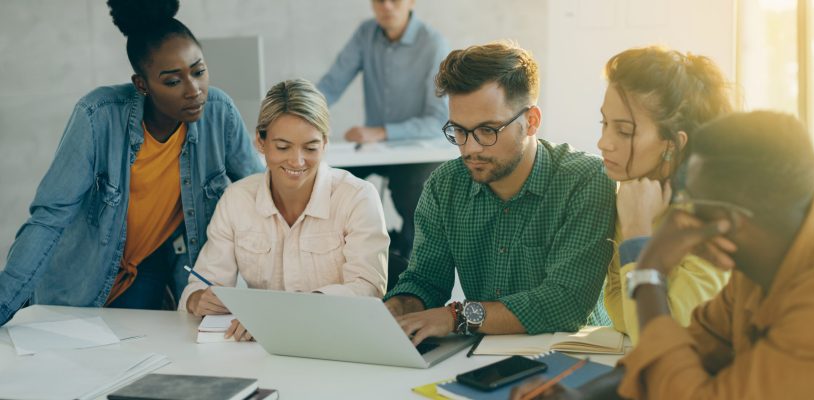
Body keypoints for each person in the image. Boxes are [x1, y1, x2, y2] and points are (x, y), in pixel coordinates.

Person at [510, 111, 814, 400]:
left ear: (727, 222)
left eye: (692, 205)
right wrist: (582, 397)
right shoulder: (763, 260)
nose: (681, 215)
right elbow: (685, 353)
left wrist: (649, 272)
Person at [0, 0, 262, 325]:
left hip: (146, 271)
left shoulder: (219, 112)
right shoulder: (98, 116)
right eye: (172, 81)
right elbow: (49, 218)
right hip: (82, 276)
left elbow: (261, 193)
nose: (194, 90)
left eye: (199, 71)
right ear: (142, 85)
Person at [384, 41, 617, 345]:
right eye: (459, 130)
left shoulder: (586, 181)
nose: (470, 148)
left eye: (487, 130)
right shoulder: (444, 186)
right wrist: (399, 308)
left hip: (572, 357)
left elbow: (564, 303)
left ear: (531, 121)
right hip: (482, 358)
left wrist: (458, 316)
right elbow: (425, 280)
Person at [178, 79, 390, 341]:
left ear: (325, 143)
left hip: (336, 340)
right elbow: (202, 282)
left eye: (310, 147)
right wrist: (198, 298)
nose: (297, 161)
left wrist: (282, 314)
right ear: (260, 141)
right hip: (261, 350)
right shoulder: (237, 200)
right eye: (282, 147)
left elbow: (368, 288)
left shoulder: (357, 197)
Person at [598, 46, 733, 342]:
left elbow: (659, 337)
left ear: (672, 144)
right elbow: (620, 309)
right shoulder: (633, 192)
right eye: (604, 123)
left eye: (624, 131)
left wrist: (637, 234)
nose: (603, 142)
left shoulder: (713, 219)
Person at [317, 0, 449, 260]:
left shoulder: (433, 43)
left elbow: (437, 119)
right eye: (379, 0)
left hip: (417, 151)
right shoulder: (366, 33)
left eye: (395, 0)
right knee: (327, 179)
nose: (386, 6)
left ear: (411, 2)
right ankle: (335, 253)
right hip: (374, 151)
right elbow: (331, 85)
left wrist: (381, 131)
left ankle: (411, 258)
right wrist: (299, 115)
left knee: (410, 190)